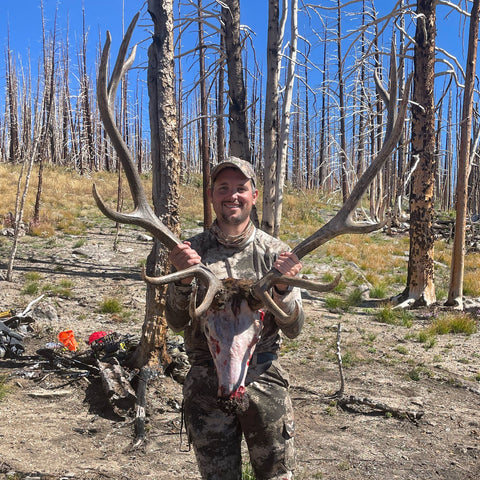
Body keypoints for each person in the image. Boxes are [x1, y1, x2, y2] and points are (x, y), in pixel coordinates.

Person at [165, 156, 304, 480]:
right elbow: (175, 321)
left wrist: (282, 288)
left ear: (254, 195)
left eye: (240, 188)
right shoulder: (191, 252)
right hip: (206, 381)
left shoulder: (275, 254)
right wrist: (183, 279)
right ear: (211, 195)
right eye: (223, 188)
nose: (232, 195)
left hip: (263, 377)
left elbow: (295, 327)